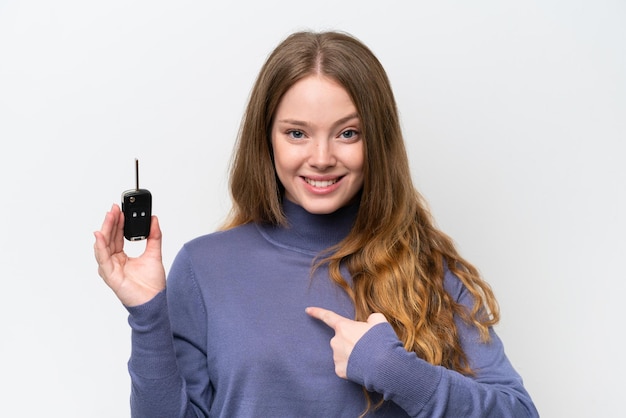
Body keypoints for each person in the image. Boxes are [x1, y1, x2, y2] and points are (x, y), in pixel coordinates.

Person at [94, 30, 539, 418]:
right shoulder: (204, 267)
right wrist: (148, 314)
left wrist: (394, 370)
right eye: (297, 133)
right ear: (266, 139)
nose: (322, 158)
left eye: (348, 133)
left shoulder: (428, 268)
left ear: (377, 141)